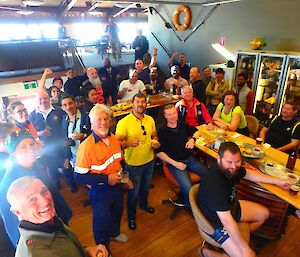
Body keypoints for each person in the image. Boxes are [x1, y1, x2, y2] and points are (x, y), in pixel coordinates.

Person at [197, 142, 290, 257]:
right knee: (246, 255)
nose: (234, 166)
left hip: (230, 207)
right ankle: (211, 253)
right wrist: (244, 248)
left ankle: (233, 246)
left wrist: (278, 182)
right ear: (219, 159)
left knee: (264, 214)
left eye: (237, 162)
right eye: (229, 162)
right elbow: (226, 220)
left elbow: (248, 174)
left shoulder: (232, 168)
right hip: (216, 220)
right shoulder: (216, 184)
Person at [75, 104, 132, 254]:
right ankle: (103, 246)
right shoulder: (86, 147)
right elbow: (79, 176)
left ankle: (114, 233)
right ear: (92, 123)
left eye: (106, 119)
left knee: (117, 211)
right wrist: (106, 179)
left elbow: (120, 161)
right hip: (100, 190)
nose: (103, 122)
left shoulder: (114, 139)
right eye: (99, 119)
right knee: (101, 219)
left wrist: (125, 179)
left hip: (118, 185)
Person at [0, 130, 72, 247]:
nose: (30, 149)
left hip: (56, 224)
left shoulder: (36, 165)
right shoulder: (9, 185)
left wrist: (64, 215)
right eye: (23, 147)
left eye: (32, 144)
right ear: (13, 152)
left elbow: (53, 193)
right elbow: (13, 226)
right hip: (42, 240)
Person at [6, 176, 108, 257]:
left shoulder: (49, 222)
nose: (45, 201)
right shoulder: (36, 253)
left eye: (44, 191)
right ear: (17, 212)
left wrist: (86, 251)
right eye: (32, 200)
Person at [116, 93, 160, 230]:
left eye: (143, 102)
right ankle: (131, 216)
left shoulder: (150, 119)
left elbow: (154, 135)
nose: (140, 104)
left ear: (146, 104)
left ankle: (144, 205)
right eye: (137, 102)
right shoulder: (123, 122)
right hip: (132, 164)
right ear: (132, 104)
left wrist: (156, 141)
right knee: (132, 191)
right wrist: (126, 143)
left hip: (149, 160)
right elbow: (116, 145)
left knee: (146, 187)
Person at [29, 90, 65, 188]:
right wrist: (40, 133)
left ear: (49, 99)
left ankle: (71, 182)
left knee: (66, 165)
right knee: (52, 168)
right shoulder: (32, 115)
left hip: (61, 145)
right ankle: (56, 183)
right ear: (36, 101)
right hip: (45, 148)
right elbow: (30, 133)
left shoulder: (59, 110)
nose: (43, 101)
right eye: (40, 99)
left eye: (45, 98)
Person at [61, 94, 91, 192]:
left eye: (70, 103)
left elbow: (96, 134)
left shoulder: (86, 116)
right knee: (82, 178)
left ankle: (94, 196)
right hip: (74, 156)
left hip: (88, 154)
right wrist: (66, 157)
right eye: (65, 105)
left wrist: (84, 136)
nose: (68, 107)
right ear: (62, 107)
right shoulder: (64, 121)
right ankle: (89, 195)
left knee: (92, 177)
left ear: (75, 104)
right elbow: (64, 140)